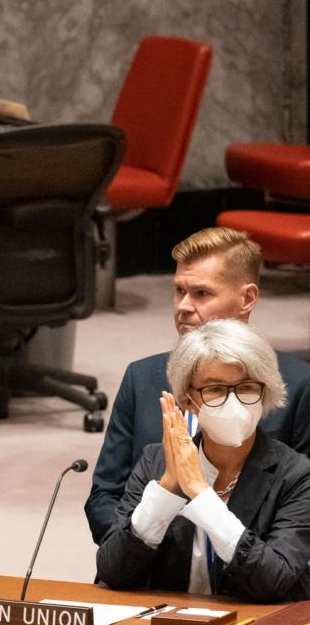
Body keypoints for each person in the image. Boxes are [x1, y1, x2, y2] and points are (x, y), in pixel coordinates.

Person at [86, 228, 310, 543]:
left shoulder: (298, 385)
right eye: (179, 290)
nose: (184, 306)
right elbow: (105, 495)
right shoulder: (141, 377)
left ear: (247, 299)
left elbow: (302, 509)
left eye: (202, 293)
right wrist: (127, 551)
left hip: (251, 565)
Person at [96, 320, 310, 602]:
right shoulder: (155, 462)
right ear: (188, 400)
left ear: (265, 391)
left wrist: (200, 494)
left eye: (246, 387)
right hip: (169, 621)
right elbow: (113, 572)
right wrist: (167, 490)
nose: (233, 402)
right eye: (215, 389)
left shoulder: (297, 475)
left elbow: (273, 581)